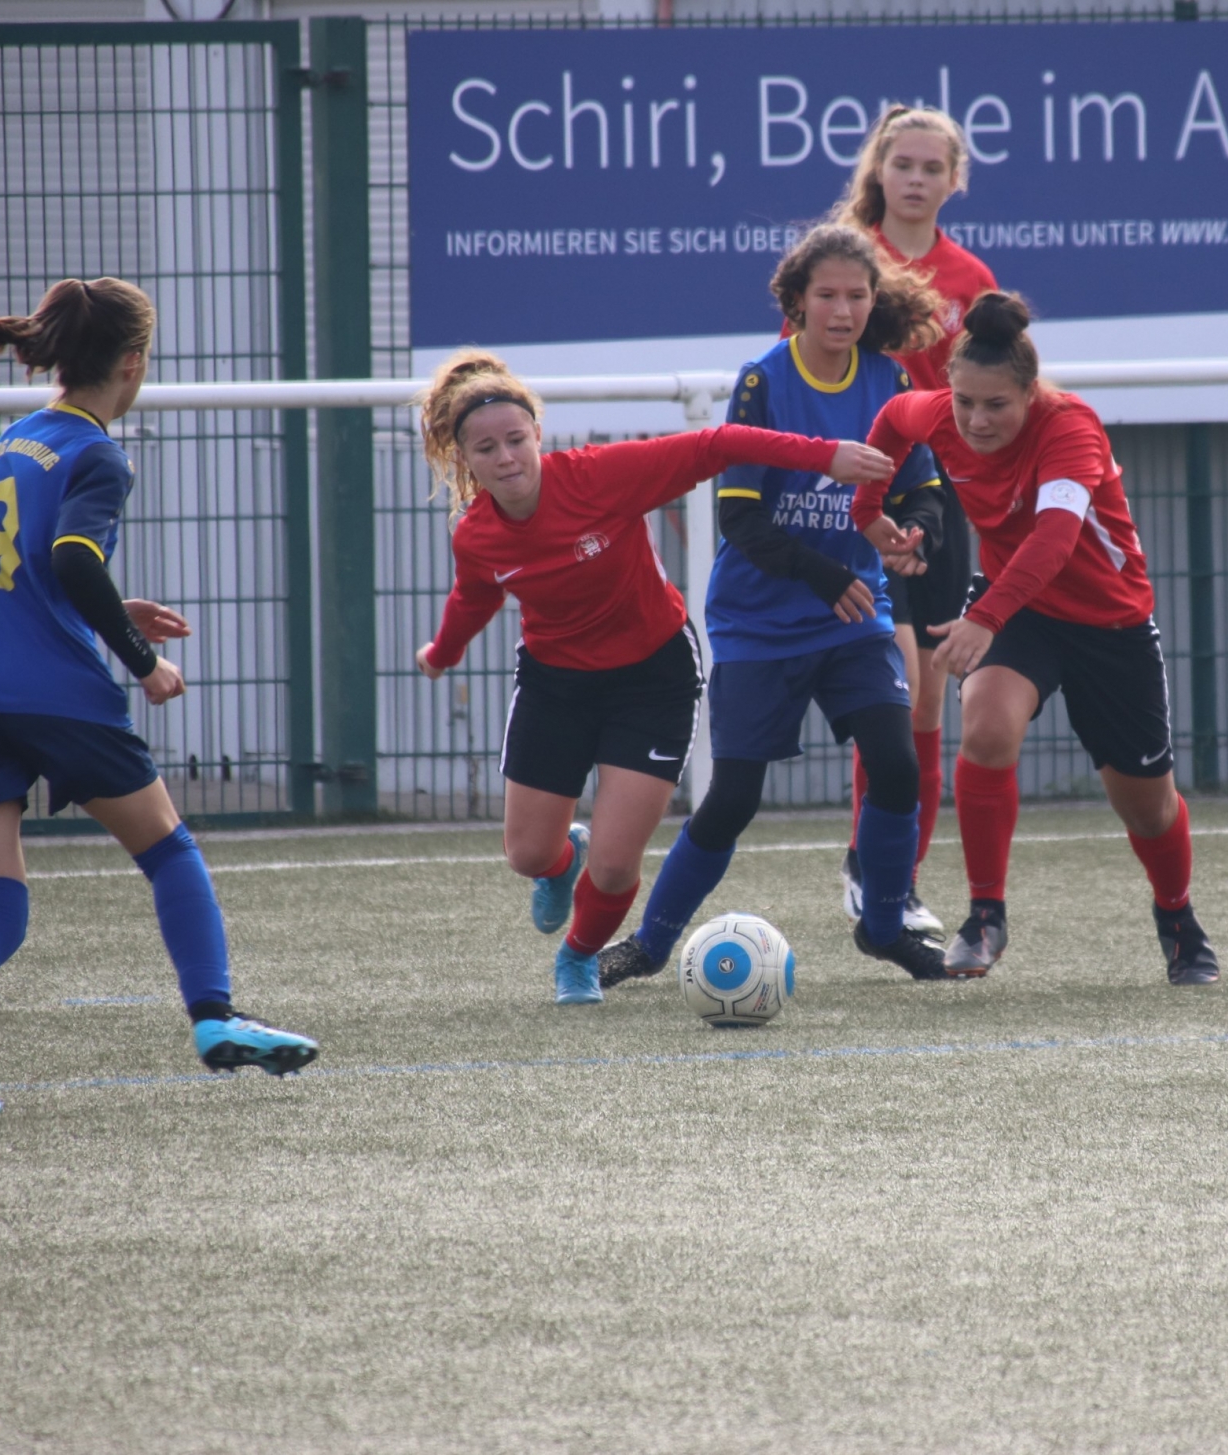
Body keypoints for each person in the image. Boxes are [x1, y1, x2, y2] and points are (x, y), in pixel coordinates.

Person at [0, 277, 318, 1115]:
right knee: (168, 852)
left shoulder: (15, 440)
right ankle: (214, 1014)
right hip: (53, 695)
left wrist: (106, 608)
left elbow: (9, 569)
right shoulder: (98, 454)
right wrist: (142, 660)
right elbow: (71, 557)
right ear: (132, 362)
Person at [413, 350, 894, 1005]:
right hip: (556, 686)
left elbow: (717, 444)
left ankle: (578, 958)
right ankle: (560, 861)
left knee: (615, 866)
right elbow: (474, 597)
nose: (506, 458)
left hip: (652, 678)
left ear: (538, 435)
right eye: (486, 448)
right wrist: (443, 653)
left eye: (516, 439)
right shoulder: (476, 536)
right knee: (528, 856)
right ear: (465, 459)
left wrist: (826, 456)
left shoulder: (600, 476)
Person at [597, 223, 954, 989]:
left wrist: (916, 533)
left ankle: (884, 928)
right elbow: (739, 518)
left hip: (853, 619)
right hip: (759, 623)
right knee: (732, 799)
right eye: (826, 295)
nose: (843, 310)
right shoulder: (763, 382)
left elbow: (924, 488)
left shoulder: (890, 382)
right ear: (795, 302)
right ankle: (650, 945)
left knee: (897, 766)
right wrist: (824, 574)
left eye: (857, 295)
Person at [855, 291, 1221, 986]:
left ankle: (1178, 918)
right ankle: (984, 915)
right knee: (986, 727)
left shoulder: (1070, 427)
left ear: (1030, 393)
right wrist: (867, 509)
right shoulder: (941, 414)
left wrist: (983, 618)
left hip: (1109, 623)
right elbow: (893, 419)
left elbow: (1054, 540)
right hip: (1018, 610)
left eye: (996, 404)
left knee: (1147, 807)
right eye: (965, 401)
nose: (976, 420)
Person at [830, 106, 998, 932]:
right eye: (904, 164)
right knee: (890, 686)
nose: (918, 179)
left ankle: (898, 876)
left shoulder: (970, 276)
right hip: (860, 492)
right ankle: (870, 867)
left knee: (929, 700)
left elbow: (993, 395)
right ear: (879, 169)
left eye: (934, 167)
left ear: (954, 180)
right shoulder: (844, 260)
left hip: (939, 499)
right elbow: (804, 369)